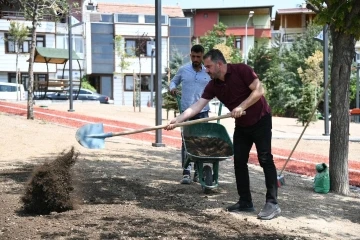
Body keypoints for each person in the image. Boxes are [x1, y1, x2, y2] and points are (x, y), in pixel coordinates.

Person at [165, 49, 281, 220]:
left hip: (261, 119)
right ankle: (245, 201)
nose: (206, 70)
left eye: (209, 66)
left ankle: (272, 203)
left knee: (265, 159)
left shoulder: (242, 70)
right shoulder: (213, 85)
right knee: (239, 161)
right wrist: (178, 120)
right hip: (242, 125)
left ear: (219, 64)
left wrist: (242, 106)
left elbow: (258, 91)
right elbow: (197, 106)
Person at [169, 44, 211, 184]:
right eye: (193, 56)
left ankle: (198, 173)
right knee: (186, 142)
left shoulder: (208, 72)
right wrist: (173, 88)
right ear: (190, 55)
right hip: (186, 112)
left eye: (198, 57)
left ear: (202, 57)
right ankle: (186, 172)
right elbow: (173, 81)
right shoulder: (183, 70)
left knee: (201, 142)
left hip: (203, 112)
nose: (195, 59)